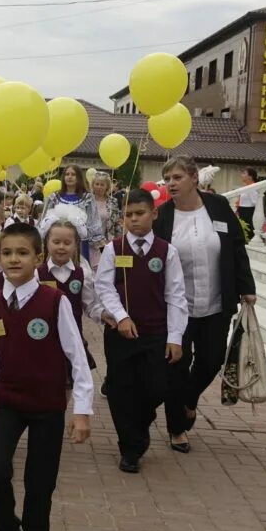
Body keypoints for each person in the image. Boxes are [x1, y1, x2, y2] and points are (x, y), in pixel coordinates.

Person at [0, 222, 93, 531]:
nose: (13, 259)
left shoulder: (54, 300)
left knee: (39, 483)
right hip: (10, 402)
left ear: (38, 258)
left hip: (47, 405)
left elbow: (77, 358)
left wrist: (82, 410)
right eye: (7, 253)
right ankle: (7, 529)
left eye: (22, 253)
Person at [154, 157, 255, 452]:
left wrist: (246, 287)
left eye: (176, 177)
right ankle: (176, 429)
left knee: (211, 360)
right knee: (176, 365)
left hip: (216, 301)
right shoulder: (163, 217)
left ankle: (188, 400)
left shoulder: (218, 207)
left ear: (194, 178)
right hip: (177, 307)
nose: (171, 183)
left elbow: (237, 248)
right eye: (167, 179)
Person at [94, 189, 187, 473]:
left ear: (153, 214)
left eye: (139, 213)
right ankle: (130, 448)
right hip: (121, 333)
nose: (133, 220)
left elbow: (176, 295)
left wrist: (175, 337)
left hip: (156, 333)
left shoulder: (166, 251)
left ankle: (138, 429)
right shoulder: (114, 249)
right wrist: (121, 317)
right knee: (122, 390)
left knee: (157, 386)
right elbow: (104, 287)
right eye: (128, 215)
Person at [42, 220, 107, 370]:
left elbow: (90, 304)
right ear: (47, 242)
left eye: (67, 242)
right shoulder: (37, 274)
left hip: (72, 338)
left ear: (76, 245)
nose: (61, 247)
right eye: (56, 242)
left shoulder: (81, 274)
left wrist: (103, 314)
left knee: (69, 385)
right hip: (45, 340)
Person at [42, 164, 105, 261]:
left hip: (79, 243)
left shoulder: (87, 197)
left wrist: (92, 237)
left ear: (79, 177)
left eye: (73, 174)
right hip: (57, 240)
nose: (70, 177)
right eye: (67, 174)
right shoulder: (54, 197)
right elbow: (45, 219)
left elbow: (93, 220)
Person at [89, 171, 122, 270]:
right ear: (93, 185)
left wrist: (118, 241)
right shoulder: (87, 201)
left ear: (107, 187)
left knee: (105, 269)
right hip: (89, 243)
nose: (99, 187)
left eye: (102, 185)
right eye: (97, 184)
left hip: (107, 242)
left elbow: (116, 223)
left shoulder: (113, 201)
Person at [236, 166, 259, 241]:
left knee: (248, 232)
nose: (241, 175)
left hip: (248, 213)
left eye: (244, 173)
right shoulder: (246, 187)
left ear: (250, 176)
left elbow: (255, 202)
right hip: (242, 211)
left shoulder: (252, 187)